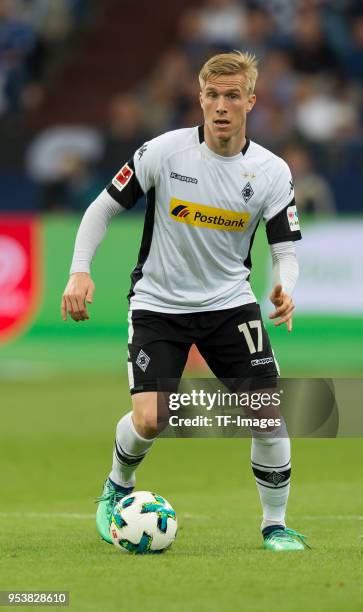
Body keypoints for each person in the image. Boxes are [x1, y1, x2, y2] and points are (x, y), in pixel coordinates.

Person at [61, 51, 308, 552]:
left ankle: (274, 525)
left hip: (229, 306)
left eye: (232, 96)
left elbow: (285, 249)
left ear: (250, 102)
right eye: (212, 96)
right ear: (199, 98)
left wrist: (285, 285)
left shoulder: (271, 171)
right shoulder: (163, 152)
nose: (221, 107)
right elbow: (102, 208)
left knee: (266, 413)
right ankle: (118, 485)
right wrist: (79, 271)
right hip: (158, 305)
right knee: (152, 418)